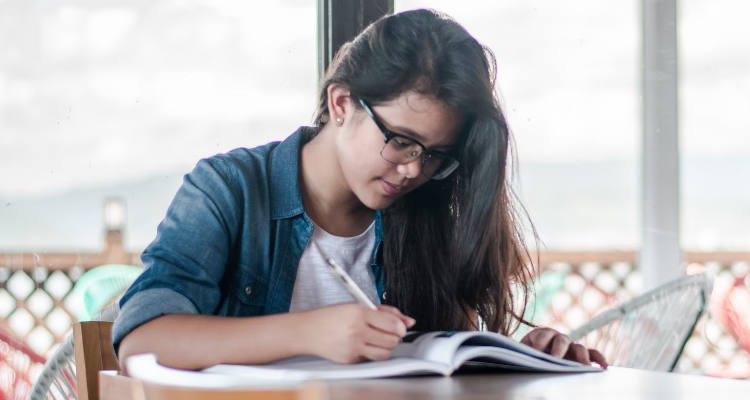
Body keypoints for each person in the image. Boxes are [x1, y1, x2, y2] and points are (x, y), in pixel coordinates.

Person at [114, 8, 607, 371]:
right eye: (402, 142)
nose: (414, 170)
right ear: (343, 102)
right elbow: (142, 340)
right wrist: (311, 331)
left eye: (434, 154)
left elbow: (443, 362)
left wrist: (526, 356)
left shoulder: (424, 212)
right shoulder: (230, 189)